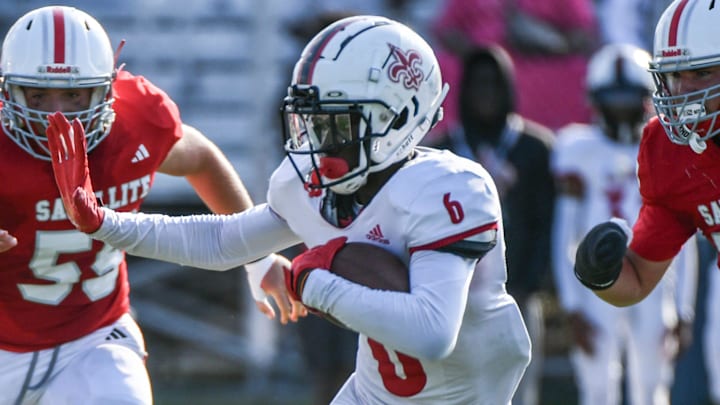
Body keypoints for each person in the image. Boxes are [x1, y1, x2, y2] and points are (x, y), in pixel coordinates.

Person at [45, 15, 532, 404]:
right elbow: (222, 241)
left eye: (334, 125)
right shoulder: (315, 184)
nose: (316, 144)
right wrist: (104, 221)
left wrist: (310, 281)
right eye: (310, 123)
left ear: (397, 118)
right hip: (377, 391)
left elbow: (431, 334)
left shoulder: (450, 188)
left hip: (466, 394)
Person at [0, 6, 302, 405]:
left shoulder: (136, 122)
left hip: (92, 338)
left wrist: (258, 258)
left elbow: (200, 158)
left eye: (74, 94)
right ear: (9, 92)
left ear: (107, 89)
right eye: (38, 95)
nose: (58, 112)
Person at [552, 42, 698, 405]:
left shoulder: (669, 147)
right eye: (613, 100)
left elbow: (686, 235)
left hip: (656, 276)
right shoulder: (577, 148)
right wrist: (571, 306)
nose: (621, 110)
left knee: (651, 388)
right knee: (597, 389)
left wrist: (683, 309)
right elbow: (564, 233)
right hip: (596, 282)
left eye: (628, 100)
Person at [429, 45, 554, 405]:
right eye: (477, 85)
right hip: (455, 298)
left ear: (509, 89)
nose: (485, 94)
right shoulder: (443, 152)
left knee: (517, 391)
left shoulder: (534, 148)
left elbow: (546, 223)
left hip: (517, 294)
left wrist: (531, 283)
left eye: (494, 85)